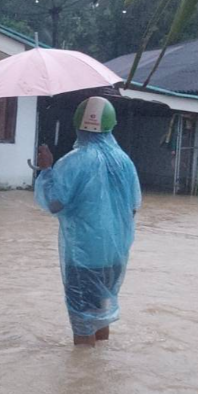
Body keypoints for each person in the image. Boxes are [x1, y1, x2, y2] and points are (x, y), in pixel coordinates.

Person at [34, 96, 142, 347]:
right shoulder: (125, 162)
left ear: (77, 125)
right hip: (114, 258)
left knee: (82, 320)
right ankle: (99, 370)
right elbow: (134, 207)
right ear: (111, 125)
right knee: (101, 313)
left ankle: (84, 375)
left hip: (83, 259)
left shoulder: (73, 161)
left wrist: (46, 170)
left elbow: (54, 203)